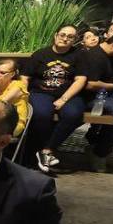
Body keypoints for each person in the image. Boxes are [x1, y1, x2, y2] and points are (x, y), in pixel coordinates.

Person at [21, 24, 89, 172]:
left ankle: (47, 150)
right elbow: (25, 77)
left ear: (74, 40)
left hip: (68, 94)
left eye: (70, 37)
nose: (65, 39)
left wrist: (64, 99)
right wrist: (24, 95)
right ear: (56, 35)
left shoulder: (79, 55)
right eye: (62, 35)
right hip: (41, 92)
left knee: (73, 114)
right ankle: (44, 154)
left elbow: (80, 80)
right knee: (41, 114)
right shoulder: (40, 54)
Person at [82, 34, 113, 172]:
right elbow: (90, 84)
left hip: (105, 96)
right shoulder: (95, 57)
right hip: (91, 98)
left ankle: (98, 145)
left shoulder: (110, 56)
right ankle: (100, 152)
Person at [0, 60, 29, 137]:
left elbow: (0, 103)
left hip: (14, 124)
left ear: (12, 74)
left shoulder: (19, 85)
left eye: (2, 73)